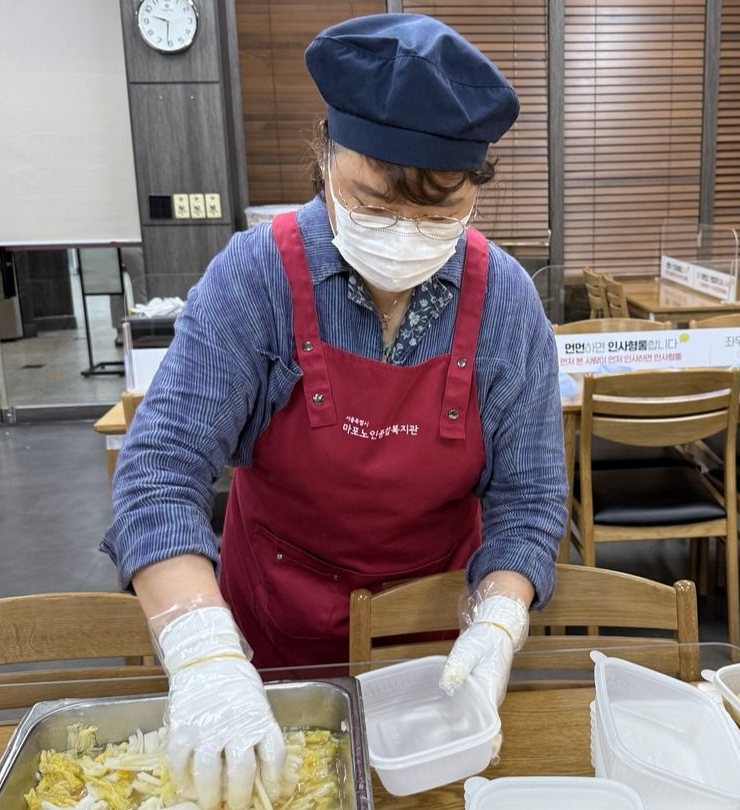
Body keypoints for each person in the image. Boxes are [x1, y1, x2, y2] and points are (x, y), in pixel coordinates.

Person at [101, 13, 566, 810]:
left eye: (440, 208)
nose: (406, 235)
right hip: (271, 644)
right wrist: (203, 654)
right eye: (375, 200)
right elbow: (158, 474)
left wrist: (496, 627)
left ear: (474, 191)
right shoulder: (256, 280)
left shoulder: (508, 304)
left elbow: (530, 499)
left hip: (432, 657)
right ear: (324, 160)